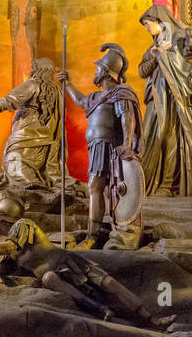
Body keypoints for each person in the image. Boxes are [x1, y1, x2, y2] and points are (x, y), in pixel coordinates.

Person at [0, 218, 174, 330]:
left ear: (2, 218)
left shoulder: (22, 226)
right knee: (49, 279)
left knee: (110, 284)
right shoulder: (6, 249)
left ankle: (151, 317)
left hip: (70, 263)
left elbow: (10, 246)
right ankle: (101, 311)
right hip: (51, 275)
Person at [57, 43, 142, 249]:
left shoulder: (120, 93)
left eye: (97, 68)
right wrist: (67, 84)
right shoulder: (96, 97)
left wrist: (127, 144)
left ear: (105, 71)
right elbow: (80, 100)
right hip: (96, 147)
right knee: (95, 187)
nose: (95, 72)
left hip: (110, 147)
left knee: (100, 187)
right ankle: (95, 233)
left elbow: (127, 119)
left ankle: (94, 235)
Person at [137, 4, 192, 196]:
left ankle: (167, 185)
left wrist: (167, 55)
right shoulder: (152, 47)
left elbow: (189, 66)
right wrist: (155, 56)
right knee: (152, 137)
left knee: (170, 137)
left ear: (160, 21)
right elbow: (142, 71)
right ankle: (148, 182)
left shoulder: (180, 41)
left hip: (175, 99)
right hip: (155, 100)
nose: (146, 28)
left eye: (147, 23)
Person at [0, 57, 63, 192]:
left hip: (27, 130)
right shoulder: (57, 90)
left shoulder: (32, 84)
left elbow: (9, 100)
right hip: (47, 137)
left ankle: (31, 185)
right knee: (23, 163)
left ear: (37, 69)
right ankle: (35, 184)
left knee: (13, 160)